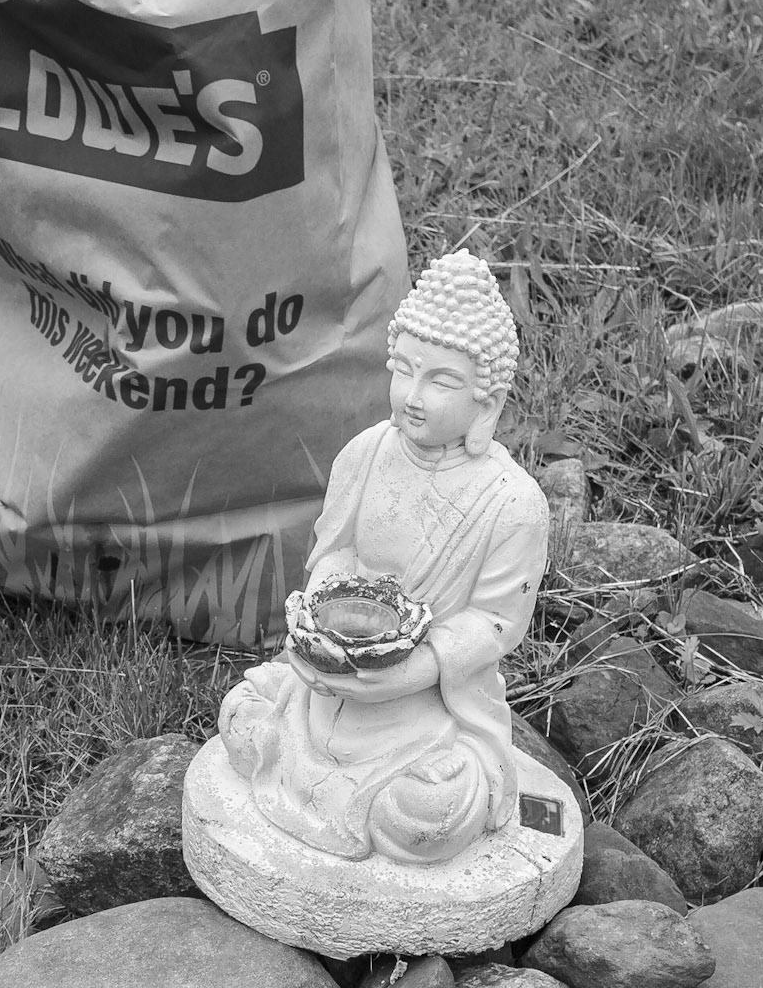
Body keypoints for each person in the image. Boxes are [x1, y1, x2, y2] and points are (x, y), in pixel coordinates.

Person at [218, 249, 548, 863]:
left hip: (425, 712)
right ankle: (301, 747)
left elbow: (495, 623)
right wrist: (323, 634)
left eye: (441, 381)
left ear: (487, 404)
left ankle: (348, 787)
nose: (412, 396)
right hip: (329, 684)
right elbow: (334, 553)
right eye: (404, 370)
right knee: (242, 712)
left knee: (429, 813)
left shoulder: (512, 503)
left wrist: (408, 672)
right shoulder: (366, 453)